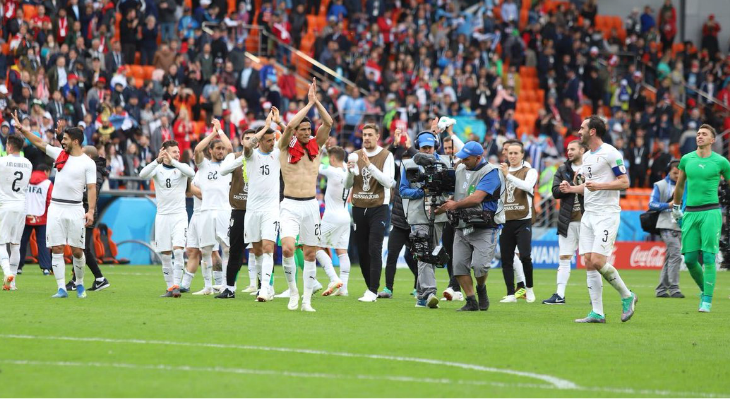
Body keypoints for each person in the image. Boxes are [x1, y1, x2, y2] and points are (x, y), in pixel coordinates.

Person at [13, 112, 97, 299]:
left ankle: (80, 283)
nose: (62, 141)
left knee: (77, 250)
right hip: (56, 207)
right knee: (57, 248)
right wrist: (23, 130)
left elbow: (91, 188)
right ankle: (61, 288)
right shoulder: (59, 154)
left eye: (65, 139)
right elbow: (40, 143)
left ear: (75, 141)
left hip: (76, 208)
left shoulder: (87, 163)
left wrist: (90, 210)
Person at [564, 116, 637, 323]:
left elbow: (624, 182)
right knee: (588, 262)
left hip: (606, 214)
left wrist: (600, 186)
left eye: (582, 128)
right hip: (589, 214)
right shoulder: (586, 156)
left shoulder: (611, 153)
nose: (579, 131)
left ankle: (627, 295)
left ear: (593, 131)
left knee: (597, 260)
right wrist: (572, 189)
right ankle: (597, 312)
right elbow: (589, 186)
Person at [277, 79, 334, 313]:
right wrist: (308, 105)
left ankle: (307, 300)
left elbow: (329, 122)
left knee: (310, 253)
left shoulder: (315, 145)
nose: (308, 133)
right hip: (290, 204)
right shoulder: (284, 145)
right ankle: (293, 291)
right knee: (289, 248)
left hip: (311, 205)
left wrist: (316, 102)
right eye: (304, 130)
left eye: (309, 130)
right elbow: (289, 125)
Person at [437, 141, 504, 312]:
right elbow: (453, 190)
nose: (463, 161)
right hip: (461, 224)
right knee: (458, 266)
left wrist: (454, 205)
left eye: (466, 158)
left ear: (479, 157)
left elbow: (476, 198)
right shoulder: (460, 169)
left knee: (480, 267)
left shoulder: (491, 173)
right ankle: (471, 300)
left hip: (484, 226)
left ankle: (481, 288)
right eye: (462, 158)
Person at [672, 124, 730, 313]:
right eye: (698, 134)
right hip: (690, 212)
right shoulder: (686, 159)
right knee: (689, 259)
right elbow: (680, 185)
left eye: (704, 134)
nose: (699, 136)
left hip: (711, 212)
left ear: (712, 140)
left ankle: (707, 300)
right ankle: (705, 289)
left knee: (708, 256)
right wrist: (675, 206)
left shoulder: (721, 162)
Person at [225, 113, 281, 304]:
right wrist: (265, 127)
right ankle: (266, 286)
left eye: (273, 139)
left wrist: (274, 125)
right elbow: (247, 146)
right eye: (268, 140)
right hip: (252, 210)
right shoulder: (250, 156)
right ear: (260, 142)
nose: (272, 143)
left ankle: (265, 288)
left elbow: (288, 134)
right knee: (256, 250)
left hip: (271, 210)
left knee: (268, 247)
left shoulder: (278, 153)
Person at [399, 130, 452, 309]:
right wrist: (422, 192)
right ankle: (430, 292)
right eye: (424, 147)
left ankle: (422, 297)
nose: (427, 150)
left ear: (435, 146)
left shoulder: (446, 162)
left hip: (438, 214)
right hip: (418, 215)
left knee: (432, 254)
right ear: (417, 147)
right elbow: (403, 191)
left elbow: (453, 189)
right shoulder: (407, 164)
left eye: (430, 147)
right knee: (423, 253)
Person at [139, 140, 195, 298]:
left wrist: (175, 162)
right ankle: (170, 287)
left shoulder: (181, 169)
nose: (177, 154)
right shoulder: (157, 169)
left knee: (178, 251)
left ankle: (177, 285)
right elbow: (142, 175)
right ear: (165, 152)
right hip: (162, 216)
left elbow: (192, 173)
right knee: (165, 254)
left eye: (178, 151)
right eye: (174, 151)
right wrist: (157, 160)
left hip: (179, 216)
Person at [350, 123, 396, 303]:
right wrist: (348, 173)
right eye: (364, 134)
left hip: (378, 206)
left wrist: (369, 166)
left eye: (370, 134)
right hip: (358, 206)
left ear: (378, 136)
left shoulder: (386, 155)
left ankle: (372, 289)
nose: (366, 138)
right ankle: (370, 287)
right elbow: (348, 185)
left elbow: (389, 182)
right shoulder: (354, 155)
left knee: (374, 247)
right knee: (361, 250)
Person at [192, 120, 233, 295]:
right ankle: (208, 286)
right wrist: (213, 133)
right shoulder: (203, 165)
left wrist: (221, 131)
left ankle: (225, 283)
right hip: (207, 210)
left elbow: (231, 148)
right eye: (217, 148)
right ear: (211, 150)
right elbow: (196, 150)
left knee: (226, 247)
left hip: (224, 210)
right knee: (206, 249)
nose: (221, 151)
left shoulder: (227, 163)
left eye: (222, 149)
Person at [543, 140, 586, 305]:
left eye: (573, 149)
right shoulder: (562, 169)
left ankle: (595, 296)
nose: (569, 152)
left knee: (590, 259)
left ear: (582, 150)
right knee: (564, 257)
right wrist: (562, 188)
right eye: (568, 149)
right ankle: (560, 295)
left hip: (587, 220)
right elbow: (554, 192)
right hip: (567, 221)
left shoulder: (591, 168)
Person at [216, 128, 256, 299]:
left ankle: (263, 288)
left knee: (260, 249)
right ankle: (230, 288)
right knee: (235, 251)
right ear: (241, 141)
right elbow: (223, 170)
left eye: (252, 139)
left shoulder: (262, 158)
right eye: (246, 138)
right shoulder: (233, 157)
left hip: (257, 210)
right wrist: (243, 157)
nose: (249, 141)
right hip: (239, 210)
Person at [67, 146, 112, 292]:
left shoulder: (95, 174)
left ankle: (81, 280)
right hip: (83, 211)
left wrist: (75, 193)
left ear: (89, 158)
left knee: (81, 248)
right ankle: (98, 279)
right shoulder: (91, 171)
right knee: (81, 247)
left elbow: (94, 194)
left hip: (87, 213)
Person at [499, 142, 538, 303]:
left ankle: (529, 289)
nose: (513, 156)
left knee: (525, 256)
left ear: (522, 155)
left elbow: (527, 186)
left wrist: (508, 175)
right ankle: (510, 294)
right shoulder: (501, 172)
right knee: (506, 258)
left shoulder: (530, 171)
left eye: (516, 153)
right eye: (510, 153)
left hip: (523, 220)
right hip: (506, 220)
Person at [382, 129, 418, 298]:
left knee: (413, 257)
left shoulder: (419, 176)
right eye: (403, 161)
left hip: (414, 223)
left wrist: (410, 148)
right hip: (398, 222)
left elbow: (422, 160)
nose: (405, 164)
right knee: (392, 256)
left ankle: (419, 286)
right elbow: (384, 159)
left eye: (408, 160)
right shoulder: (397, 175)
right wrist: (395, 145)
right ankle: (388, 288)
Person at [315, 146, 352, 296]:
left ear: (331, 159)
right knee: (342, 252)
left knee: (315, 246)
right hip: (345, 216)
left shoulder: (332, 171)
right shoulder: (347, 170)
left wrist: (321, 150)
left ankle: (333, 278)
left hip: (332, 216)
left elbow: (315, 165)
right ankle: (343, 289)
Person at [0, 135, 33, 291]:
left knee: (1, 243)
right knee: (15, 245)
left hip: (5, 204)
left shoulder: (2, 161)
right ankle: (12, 283)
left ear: (10, 147)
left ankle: (7, 272)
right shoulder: (28, 164)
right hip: (21, 206)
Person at [650, 160, 684, 299]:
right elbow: (652, 204)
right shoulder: (660, 185)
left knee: (670, 256)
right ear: (669, 171)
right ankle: (674, 288)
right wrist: (668, 205)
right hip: (665, 224)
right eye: (675, 172)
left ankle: (661, 290)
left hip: (680, 224)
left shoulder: (685, 185)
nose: (677, 176)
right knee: (676, 254)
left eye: (680, 173)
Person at [18, 164, 53, 276]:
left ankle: (18, 266)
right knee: (42, 243)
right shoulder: (48, 183)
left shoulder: (26, 180)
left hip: (26, 216)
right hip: (42, 217)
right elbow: (49, 201)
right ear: (46, 171)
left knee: (22, 242)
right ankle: (46, 268)